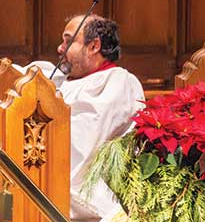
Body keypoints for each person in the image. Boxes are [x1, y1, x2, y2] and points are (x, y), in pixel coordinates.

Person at [50, 15, 144, 222]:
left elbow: (87, 141)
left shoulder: (118, 83)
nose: (60, 48)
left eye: (68, 40)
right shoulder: (62, 81)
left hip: (93, 208)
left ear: (94, 46)